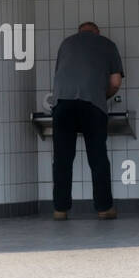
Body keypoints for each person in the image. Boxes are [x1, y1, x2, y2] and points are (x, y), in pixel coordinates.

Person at [50, 22, 124, 220]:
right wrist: (101, 95)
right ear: (97, 32)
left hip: (63, 104)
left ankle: (60, 209)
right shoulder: (107, 44)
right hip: (92, 105)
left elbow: (59, 75)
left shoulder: (66, 44)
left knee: (62, 159)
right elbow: (115, 82)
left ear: (79, 32)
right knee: (97, 157)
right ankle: (104, 208)